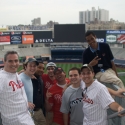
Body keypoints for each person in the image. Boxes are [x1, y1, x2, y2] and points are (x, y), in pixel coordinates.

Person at [60, 67, 125, 125]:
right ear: (81, 76)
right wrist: (67, 85)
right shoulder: (83, 83)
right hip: (86, 122)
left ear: (93, 74)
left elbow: (110, 103)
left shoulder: (100, 88)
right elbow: (74, 80)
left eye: (88, 73)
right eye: (84, 74)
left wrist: (119, 108)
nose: (86, 76)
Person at [0, 51, 35, 125]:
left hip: (25, 117)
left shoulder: (16, 74)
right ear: (4, 61)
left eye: (16, 61)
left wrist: (25, 103)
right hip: (14, 121)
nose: (14, 64)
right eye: (10, 61)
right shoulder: (1, 78)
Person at [31, 60, 46, 125]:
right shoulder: (27, 78)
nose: (42, 70)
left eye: (43, 68)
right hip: (31, 112)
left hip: (39, 110)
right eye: (39, 67)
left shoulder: (40, 78)